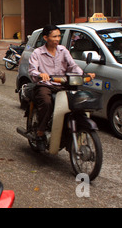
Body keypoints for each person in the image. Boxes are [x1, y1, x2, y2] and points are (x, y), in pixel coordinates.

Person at [28, 24, 95, 152]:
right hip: (45, 85)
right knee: (47, 103)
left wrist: (84, 75)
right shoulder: (37, 53)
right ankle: (40, 134)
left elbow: (73, 66)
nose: (57, 39)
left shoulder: (63, 50)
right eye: (54, 36)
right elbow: (32, 71)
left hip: (62, 85)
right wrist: (40, 74)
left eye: (59, 36)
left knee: (77, 102)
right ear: (45, 37)